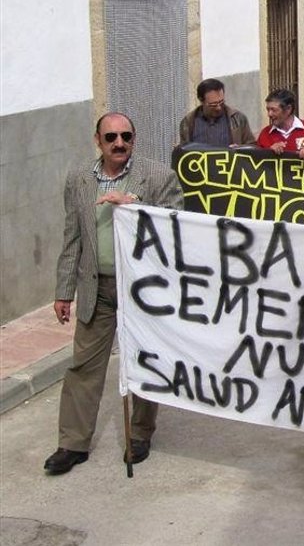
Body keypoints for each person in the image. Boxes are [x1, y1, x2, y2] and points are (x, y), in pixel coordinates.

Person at [44, 112, 184, 475]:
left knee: (142, 361)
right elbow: (72, 236)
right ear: (98, 141)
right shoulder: (78, 180)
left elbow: (175, 224)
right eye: (111, 138)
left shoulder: (156, 176)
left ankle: (139, 434)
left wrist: (135, 205)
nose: (119, 143)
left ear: (134, 139)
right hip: (98, 288)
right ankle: (72, 444)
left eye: (126, 136)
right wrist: (64, 291)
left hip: (140, 288)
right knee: (83, 366)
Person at [257, 89, 304, 158]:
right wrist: (268, 153)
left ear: (288, 109)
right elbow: (254, 162)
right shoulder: (265, 134)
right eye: (268, 110)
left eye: (274, 110)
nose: (269, 114)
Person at [179, 78, 256, 147]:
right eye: (213, 104)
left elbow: (252, 147)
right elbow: (184, 152)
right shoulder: (188, 122)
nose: (218, 108)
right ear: (201, 100)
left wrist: (240, 149)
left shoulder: (238, 119)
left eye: (221, 102)